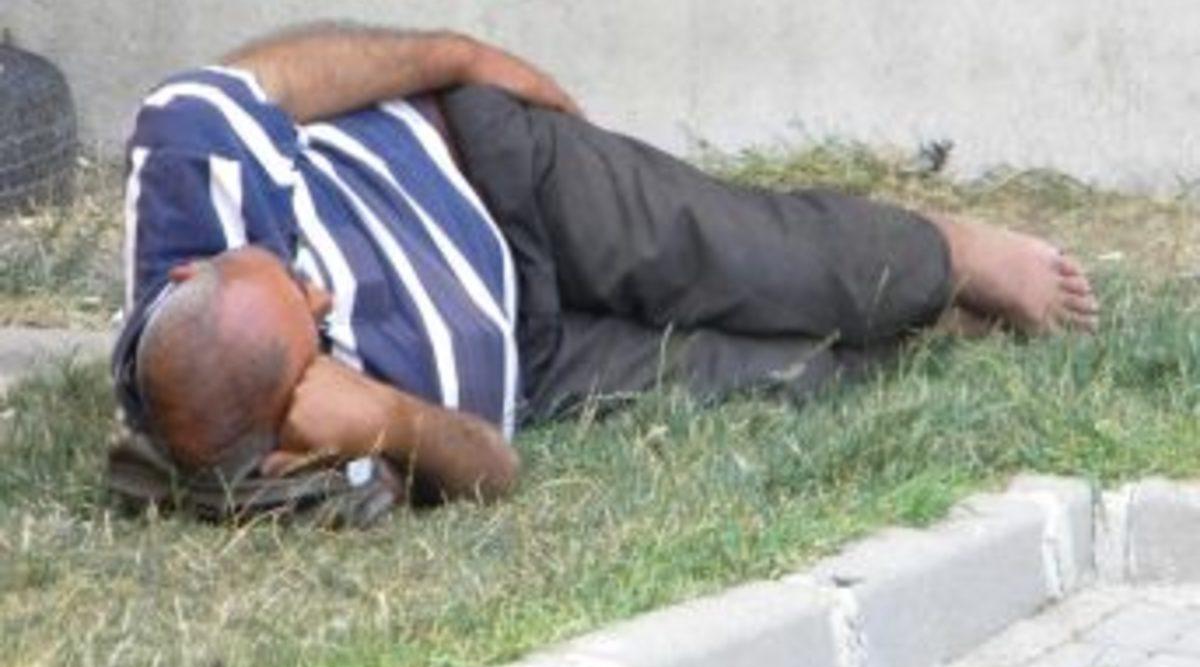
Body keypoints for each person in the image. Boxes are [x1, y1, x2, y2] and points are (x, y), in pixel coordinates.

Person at [107, 23, 1099, 524]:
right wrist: (389, 423)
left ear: (194, 272)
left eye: (289, 276)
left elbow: (274, 76)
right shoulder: (290, 467)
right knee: (791, 377)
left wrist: (460, 56)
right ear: (282, 437)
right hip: (541, 370)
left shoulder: (190, 165)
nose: (318, 292)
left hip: (492, 176)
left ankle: (956, 251)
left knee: (759, 261)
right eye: (311, 326)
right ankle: (933, 319)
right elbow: (494, 470)